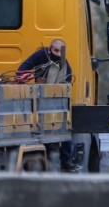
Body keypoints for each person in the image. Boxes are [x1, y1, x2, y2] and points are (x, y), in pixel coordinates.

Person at [16, 39, 77, 170]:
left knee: (65, 127)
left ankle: (66, 161)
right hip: (38, 100)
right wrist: (26, 75)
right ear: (49, 50)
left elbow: (67, 82)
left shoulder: (64, 64)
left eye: (61, 52)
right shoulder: (41, 55)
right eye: (55, 51)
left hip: (55, 102)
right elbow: (22, 69)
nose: (58, 54)